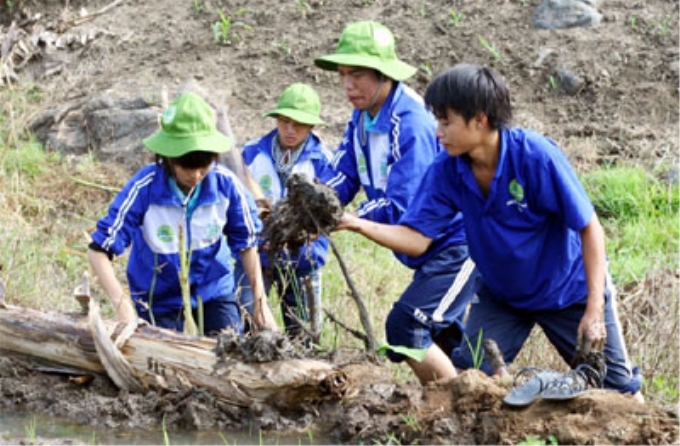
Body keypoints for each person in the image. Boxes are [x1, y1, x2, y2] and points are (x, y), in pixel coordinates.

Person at [338, 63, 643, 401]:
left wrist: (593, 311)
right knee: (472, 381)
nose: (437, 132)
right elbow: (416, 239)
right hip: (503, 294)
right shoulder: (447, 169)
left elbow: (590, 228)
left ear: (479, 119)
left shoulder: (535, 157)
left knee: (620, 392)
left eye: (446, 122)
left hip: (567, 290)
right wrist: (355, 223)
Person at [315, 21, 478, 383]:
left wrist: (345, 217)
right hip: (427, 251)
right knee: (445, 340)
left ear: (384, 74)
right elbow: (343, 174)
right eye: (342, 75)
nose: (347, 85)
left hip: (457, 247)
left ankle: (451, 407)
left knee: (408, 326)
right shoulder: (361, 117)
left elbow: (402, 205)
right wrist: (313, 206)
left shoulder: (411, 122)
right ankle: (471, 401)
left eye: (356, 75)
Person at [88, 92, 278, 336]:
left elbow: (247, 244)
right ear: (168, 157)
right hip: (158, 299)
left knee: (229, 351)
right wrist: (122, 308)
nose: (196, 175)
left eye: (203, 165)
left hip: (214, 290)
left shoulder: (226, 186)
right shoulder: (144, 188)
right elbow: (98, 250)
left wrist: (260, 307)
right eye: (186, 166)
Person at [234, 83, 335, 340]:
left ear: (311, 126)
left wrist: (305, 235)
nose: (290, 130)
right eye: (284, 121)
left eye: (298, 124)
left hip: (304, 258)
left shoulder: (324, 161)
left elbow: (329, 212)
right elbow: (239, 201)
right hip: (258, 256)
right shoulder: (252, 153)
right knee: (246, 322)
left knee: (304, 332)